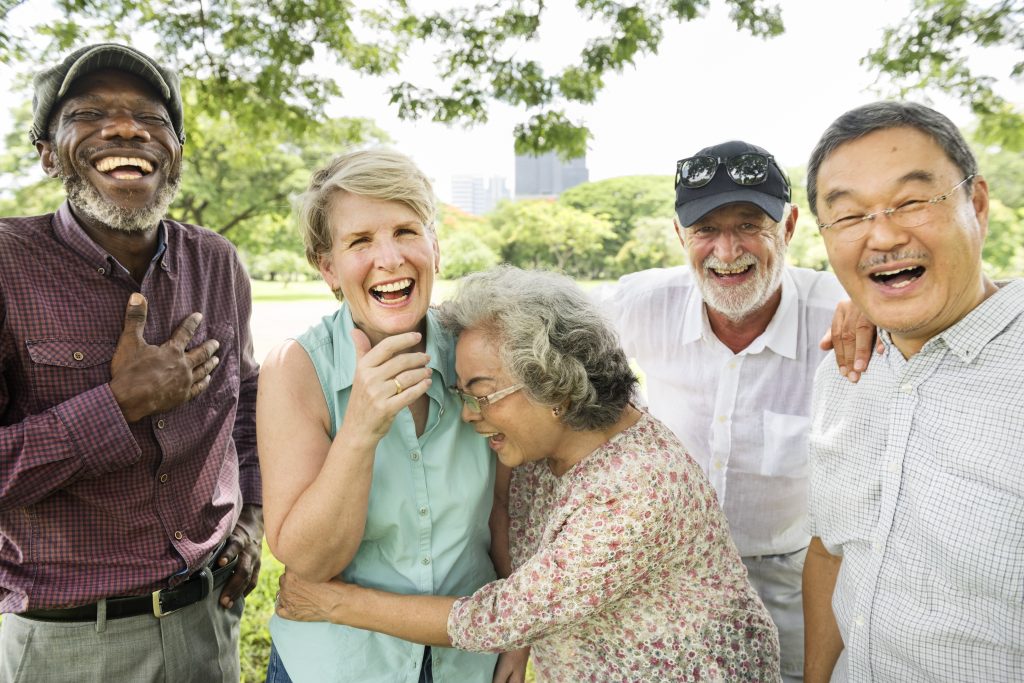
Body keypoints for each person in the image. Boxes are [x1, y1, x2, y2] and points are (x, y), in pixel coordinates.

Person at [276, 265, 783, 682]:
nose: (469, 414)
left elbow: (496, 617)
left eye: (482, 392)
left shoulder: (636, 490)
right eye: (461, 395)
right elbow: (509, 529)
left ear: (555, 387)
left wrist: (332, 602)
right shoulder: (550, 448)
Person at [0, 43, 262, 682]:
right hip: (67, 645)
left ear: (175, 152)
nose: (125, 129)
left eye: (151, 117)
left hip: (208, 622)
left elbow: (247, 404)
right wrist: (118, 407)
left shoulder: (217, 262)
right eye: (89, 114)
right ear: (46, 152)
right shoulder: (7, 266)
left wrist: (253, 517)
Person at [598, 140, 848, 682]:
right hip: (663, 573)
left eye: (749, 224)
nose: (727, 250)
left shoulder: (842, 312)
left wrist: (876, 314)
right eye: (706, 229)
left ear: (788, 228)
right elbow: (537, 338)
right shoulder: (642, 303)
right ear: (680, 235)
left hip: (788, 577)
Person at [258, 148, 505, 683]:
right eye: (360, 241)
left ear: (435, 249)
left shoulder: (480, 351)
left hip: (466, 662)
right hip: (338, 665)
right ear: (327, 267)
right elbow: (309, 563)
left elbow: (505, 514)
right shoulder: (295, 369)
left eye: (406, 231)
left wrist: (518, 638)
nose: (389, 259)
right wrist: (361, 429)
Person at [803, 101, 1024, 682]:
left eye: (911, 202)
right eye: (849, 216)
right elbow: (830, 551)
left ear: (976, 204)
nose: (883, 235)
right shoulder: (844, 367)